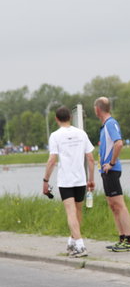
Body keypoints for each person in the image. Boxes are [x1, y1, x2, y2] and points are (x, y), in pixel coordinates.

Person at [42, 106, 95, 257]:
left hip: (66, 180)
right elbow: (90, 158)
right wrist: (91, 179)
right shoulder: (81, 133)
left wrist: (45, 180)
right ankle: (72, 242)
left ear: (56, 119)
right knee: (78, 212)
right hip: (80, 179)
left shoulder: (55, 136)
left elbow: (52, 160)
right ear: (70, 118)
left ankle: (80, 246)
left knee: (71, 213)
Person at [94, 96, 130, 252]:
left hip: (111, 170)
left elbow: (119, 143)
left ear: (97, 109)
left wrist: (111, 163)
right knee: (112, 205)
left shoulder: (111, 123)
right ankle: (122, 237)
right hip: (105, 171)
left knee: (119, 204)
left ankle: (129, 239)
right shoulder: (105, 125)